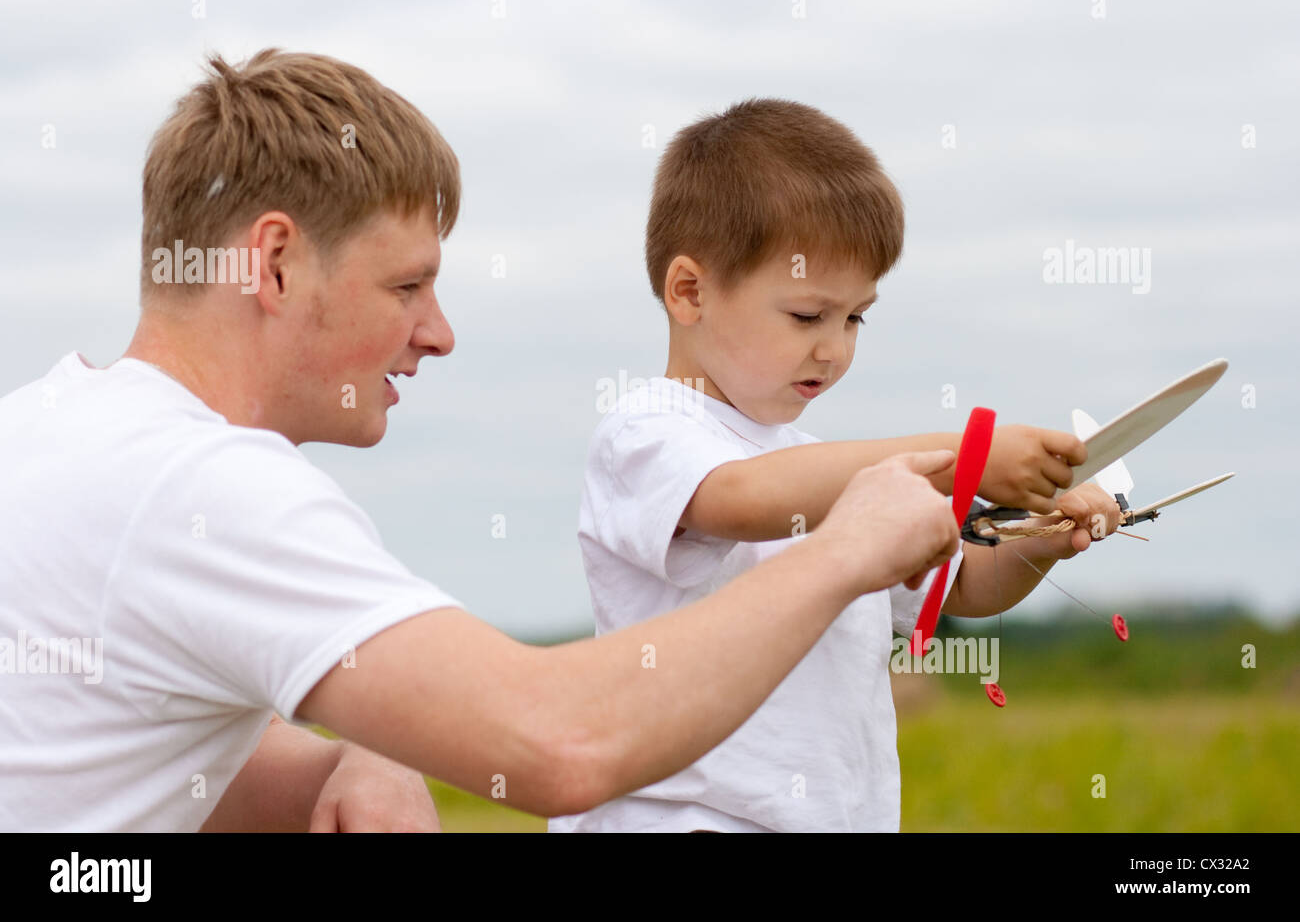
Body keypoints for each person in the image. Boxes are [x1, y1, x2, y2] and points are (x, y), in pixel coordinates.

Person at [0, 50, 963, 831]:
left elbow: (115, 754)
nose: (439, 332)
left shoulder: (47, 429)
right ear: (276, 264)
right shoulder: (205, 486)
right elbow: (560, 746)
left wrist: (347, 759)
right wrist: (842, 551)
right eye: (407, 286)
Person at [548, 98, 1122, 833]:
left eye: (855, 317)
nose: (835, 348)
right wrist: (966, 460)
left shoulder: (816, 469)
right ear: (690, 291)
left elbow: (962, 586)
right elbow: (740, 499)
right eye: (807, 315)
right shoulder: (647, 431)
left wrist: (1044, 538)